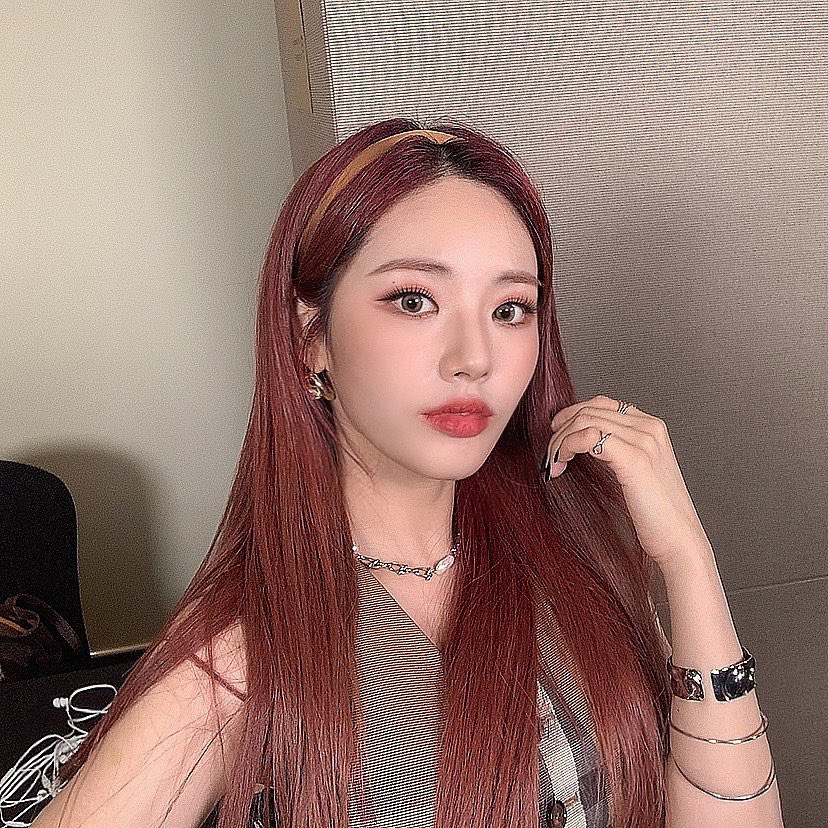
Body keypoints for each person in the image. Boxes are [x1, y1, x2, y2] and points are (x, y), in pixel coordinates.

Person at [33, 117, 779, 828]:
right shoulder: (247, 653)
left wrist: (687, 558)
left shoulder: (576, 559)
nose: (474, 358)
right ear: (309, 335)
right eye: (415, 300)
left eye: (510, 309)